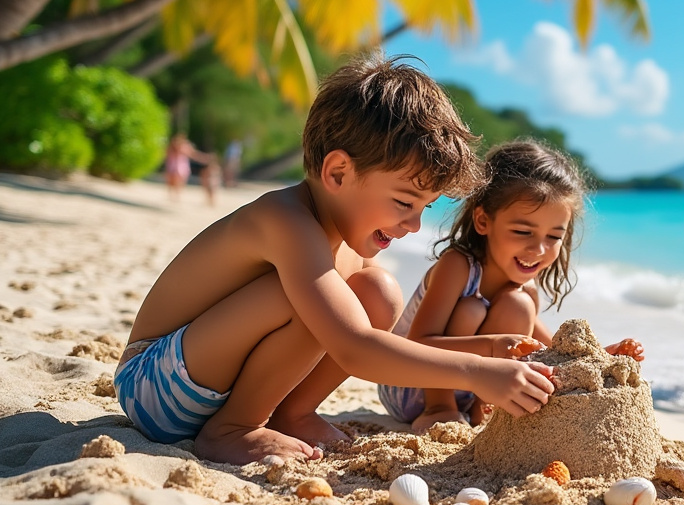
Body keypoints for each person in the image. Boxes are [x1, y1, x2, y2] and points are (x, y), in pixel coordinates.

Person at [114, 54, 555, 465]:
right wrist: (477, 373)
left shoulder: (342, 239)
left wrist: (503, 352)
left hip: (202, 381)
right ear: (338, 172)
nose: (415, 225)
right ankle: (233, 429)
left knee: (378, 292)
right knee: (309, 298)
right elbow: (354, 348)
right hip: (154, 386)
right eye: (404, 202)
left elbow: (372, 334)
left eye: (425, 208)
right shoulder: (284, 221)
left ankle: (290, 412)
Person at [378, 140, 644, 433]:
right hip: (409, 382)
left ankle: (485, 414)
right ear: (483, 220)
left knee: (519, 305)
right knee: (471, 309)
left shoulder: (524, 288)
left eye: (554, 237)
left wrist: (601, 356)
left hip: (470, 386)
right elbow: (417, 346)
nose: (539, 249)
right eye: (522, 231)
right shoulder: (458, 265)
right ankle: (439, 407)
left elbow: (550, 351)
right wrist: (492, 345)